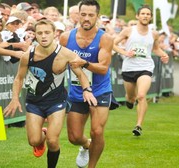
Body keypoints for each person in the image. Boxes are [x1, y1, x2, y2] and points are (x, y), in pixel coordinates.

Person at [4, 19, 97, 168]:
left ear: (54, 34)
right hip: (34, 101)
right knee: (33, 141)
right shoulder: (28, 55)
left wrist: (87, 90)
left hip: (56, 101)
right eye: (40, 33)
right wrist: (14, 98)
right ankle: (43, 133)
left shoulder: (66, 54)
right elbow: (19, 78)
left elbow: (81, 75)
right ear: (35, 35)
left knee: (53, 141)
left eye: (47, 32)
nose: (44, 36)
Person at [59, 0, 118, 167]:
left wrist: (83, 63)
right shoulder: (66, 37)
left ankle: (91, 166)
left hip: (100, 90)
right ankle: (85, 145)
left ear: (97, 17)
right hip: (77, 91)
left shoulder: (105, 39)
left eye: (91, 15)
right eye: (83, 14)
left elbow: (103, 68)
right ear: (78, 15)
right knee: (74, 137)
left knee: (97, 131)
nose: (86, 18)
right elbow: (59, 63)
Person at [113, 5, 169, 136]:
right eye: (143, 13)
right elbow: (113, 44)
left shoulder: (154, 34)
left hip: (145, 67)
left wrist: (164, 54)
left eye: (148, 14)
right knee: (131, 97)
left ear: (150, 17)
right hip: (129, 68)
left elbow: (155, 49)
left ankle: (138, 125)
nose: (145, 16)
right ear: (138, 16)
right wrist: (125, 52)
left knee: (141, 95)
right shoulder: (128, 31)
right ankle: (129, 100)